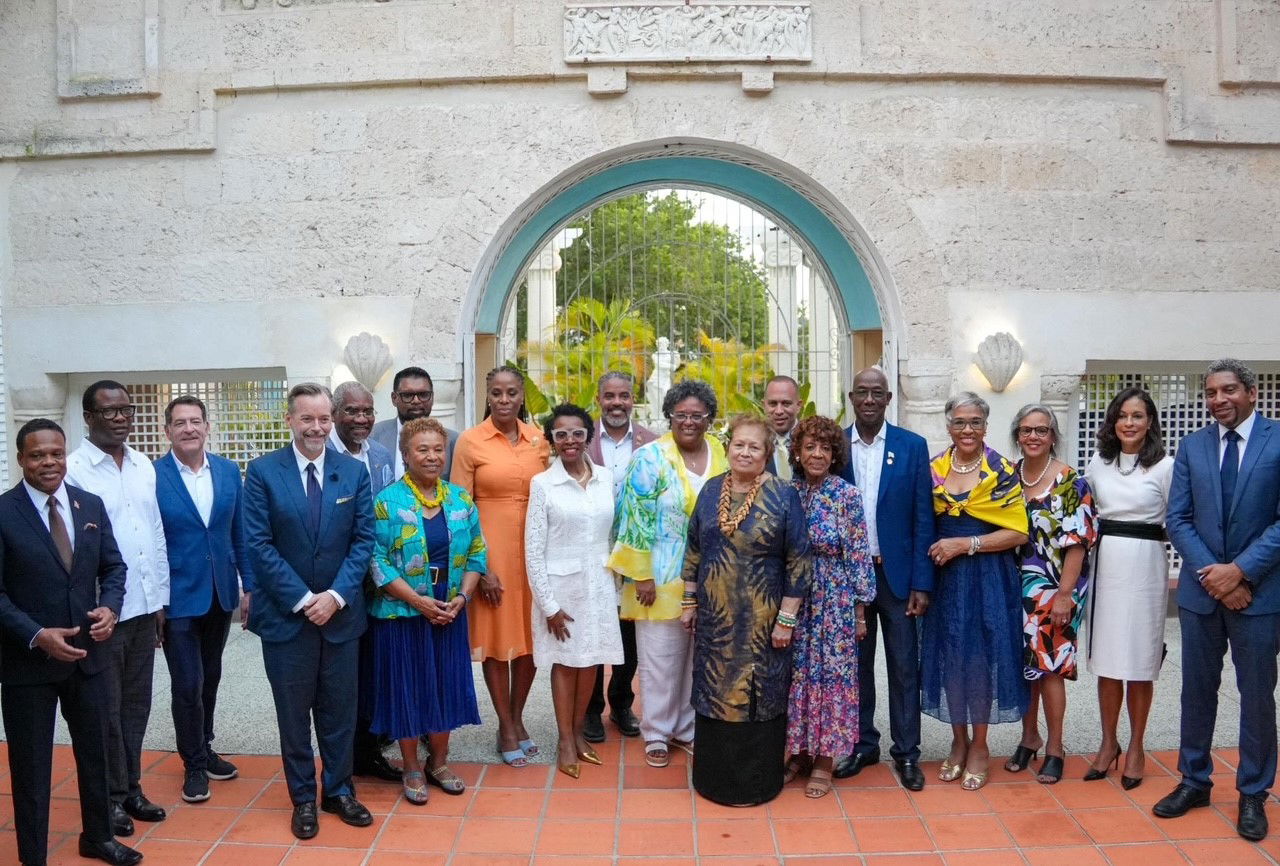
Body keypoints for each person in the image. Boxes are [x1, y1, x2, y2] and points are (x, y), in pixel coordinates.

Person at [0, 419, 141, 866]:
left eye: (56, 454)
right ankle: (33, 856)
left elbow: (114, 568)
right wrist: (37, 635)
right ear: (21, 459)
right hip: (28, 666)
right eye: (38, 455)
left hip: (88, 658)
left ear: (66, 455)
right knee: (32, 768)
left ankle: (98, 837)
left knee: (96, 755)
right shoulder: (3, 513)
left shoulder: (89, 505)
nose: (49, 462)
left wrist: (111, 608)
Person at [243, 383, 376, 840]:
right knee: (294, 715)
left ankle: (337, 790)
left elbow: (363, 541)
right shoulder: (261, 473)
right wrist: (303, 600)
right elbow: (258, 544)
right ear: (290, 421)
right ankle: (302, 798)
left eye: (323, 419)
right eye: (307, 419)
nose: (316, 427)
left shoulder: (353, 473)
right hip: (287, 620)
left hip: (341, 616)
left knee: (339, 712)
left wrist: (335, 596)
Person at [1155, 359, 1280, 843]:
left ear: (1251, 392)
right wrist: (1217, 577)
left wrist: (1240, 571)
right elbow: (1178, 518)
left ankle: (1253, 792)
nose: (1218, 399)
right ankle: (1194, 781)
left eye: (1228, 390)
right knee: (1196, 691)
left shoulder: (1276, 439)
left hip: (1260, 593)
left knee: (1256, 695)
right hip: (1203, 595)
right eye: (1210, 392)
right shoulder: (1193, 446)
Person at [681, 414, 811, 806]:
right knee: (714, 692)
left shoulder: (784, 495)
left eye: (755, 446)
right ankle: (714, 781)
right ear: (727, 448)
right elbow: (694, 549)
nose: (745, 451)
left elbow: (799, 561)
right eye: (739, 444)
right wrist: (689, 601)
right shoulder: (710, 490)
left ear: (767, 453)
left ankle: (755, 784)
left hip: (762, 623)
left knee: (759, 696)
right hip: (715, 623)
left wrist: (786, 619)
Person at [66, 380, 170, 837]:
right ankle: (105, 799)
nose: (122, 417)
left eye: (126, 409)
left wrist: (161, 599)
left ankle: (130, 788)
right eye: (110, 411)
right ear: (88, 417)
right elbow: (67, 550)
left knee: (135, 705)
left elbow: (155, 534)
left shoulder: (144, 464)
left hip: (145, 607)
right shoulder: (72, 472)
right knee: (103, 711)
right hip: (102, 613)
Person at [608, 379, 727, 769]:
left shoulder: (721, 452)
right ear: (669, 416)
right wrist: (640, 574)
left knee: (697, 657)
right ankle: (656, 731)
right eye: (681, 415)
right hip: (659, 576)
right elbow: (634, 517)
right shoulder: (650, 457)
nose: (689, 422)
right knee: (661, 658)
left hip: (711, 577)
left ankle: (687, 728)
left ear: (709, 418)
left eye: (698, 415)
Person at [367, 418, 486, 804]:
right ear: (405, 454)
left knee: (445, 688)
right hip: (402, 615)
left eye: (438, 449)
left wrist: (462, 600)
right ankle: (411, 766)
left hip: (450, 613)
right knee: (408, 690)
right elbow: (377, 561)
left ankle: (438, 761)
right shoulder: (387, 502)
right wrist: (418, 602)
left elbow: (476, 554)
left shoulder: (460, 500)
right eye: (423, 449)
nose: (432, 456)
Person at [921, 392, 1029, 792]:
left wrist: (966, 545)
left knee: (981, 660)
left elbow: (1018, 531)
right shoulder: (933, 470)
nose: (968, 430)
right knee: (951, 657)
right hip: (945, 580)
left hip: (987, 576)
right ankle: (958, 739)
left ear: (986, 426)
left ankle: (981, 746)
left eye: (976, 422)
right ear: (948, 426)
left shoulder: (1001, 471)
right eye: (960, 422)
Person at [834, 367, 935, 791]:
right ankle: (862, 743)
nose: (870, 399)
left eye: (878, 393)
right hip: (849, 579)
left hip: (896, 578)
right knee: (856, 667)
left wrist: (921, 582)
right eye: (863, 392)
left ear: (889, 398)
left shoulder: (912, 447)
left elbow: (923, 518)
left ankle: (907, 752)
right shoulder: (835, 446)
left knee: (903, 667)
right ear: (852, 397)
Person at [154, 396, 254, 804]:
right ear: (168, 432)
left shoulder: (229, 472)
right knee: (187, 683)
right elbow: (150, 539)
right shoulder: (153, 475)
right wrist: (155, 600)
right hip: (177, 596)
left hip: (219, 594)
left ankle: (206, 745)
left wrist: (250, 586)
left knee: (210, 676)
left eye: (196, 421)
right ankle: (193, 764)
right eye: (180, 423)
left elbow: (240, 533)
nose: (189, 429)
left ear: (207, 426)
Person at [450, 365, 550, 766]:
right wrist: (482, 568)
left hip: (534, 554)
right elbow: (460, 509)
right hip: (491, 555)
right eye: (497, 393)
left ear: (522, 396)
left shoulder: (539, 440)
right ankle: (505, 724)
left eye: (512, 392)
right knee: (496, 643)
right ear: (487, 396)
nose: (504, 399)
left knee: (529, 642)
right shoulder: (471, 442)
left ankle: (518, 717)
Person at [1083, 387, 1174, 789]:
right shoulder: (1098, 464)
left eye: (1137, 415)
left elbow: (1178, 518)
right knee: (1107, 660)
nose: (1129, 423)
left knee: (1138, 661)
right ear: (1113, 421)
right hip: (1105, 564)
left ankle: (1136, 746)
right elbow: (1082, 516)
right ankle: (1108, 743)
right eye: (1122, 415)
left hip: (1146, 565)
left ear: (1150, 421)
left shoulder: (1165, 466)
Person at [527, 404, 624, 778]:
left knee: (593, 661)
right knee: (567, 663)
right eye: (561, 434)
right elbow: (533, 549)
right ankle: (565, 739)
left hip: (599, 585)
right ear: (552, 440)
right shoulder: (543, 484)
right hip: (561, 588)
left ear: (588, 436)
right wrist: (548, 605)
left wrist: (616, 587)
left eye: (577, 433)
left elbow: (613, 535)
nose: (570, 441)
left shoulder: (604, 477)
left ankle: (581, 732)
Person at [1006, 404, 1097, 785]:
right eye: (1026, 430)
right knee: (1025, 668)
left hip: (1057, 588)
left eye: (1041, 430)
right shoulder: (1007, 477)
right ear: (1017, 435)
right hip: (1012, 586)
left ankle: (1055, 747)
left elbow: (1077, 544)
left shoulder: (1070, 482)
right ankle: (1029, 737)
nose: (1033, 437)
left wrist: (1064, 595)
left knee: (1050, 668)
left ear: (1053, 436)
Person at [784, 416, 874, 798]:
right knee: (797, 677)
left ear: (835, 454)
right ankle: (800, 752)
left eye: (825, 448)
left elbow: (857, 554)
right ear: (798, 453)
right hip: (793, 598)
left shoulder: (846, 495)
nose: (817, 454)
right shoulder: (787, 491)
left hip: (834, 598)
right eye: (809, 447)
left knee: (832, 680)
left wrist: (859, 612)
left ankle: (825, 760)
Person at [330, 381, 401, 783]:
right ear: (336, 413)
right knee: (345, 676)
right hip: (342, 582)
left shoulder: (379, 454)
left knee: (373, 670)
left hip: (379, 582)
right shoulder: (327, 456)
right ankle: (348, 756)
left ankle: (368, 750)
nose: (361, 419)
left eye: (367, 412)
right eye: (352, 412)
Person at [582, 371, 655, 743]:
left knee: (629, 634)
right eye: (609, 396)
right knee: (595, 630)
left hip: (635, 555)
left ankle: (622, 703)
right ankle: (591, 710)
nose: (616, 402)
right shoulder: (581, 439)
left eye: (623, 396)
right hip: (592, 551)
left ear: (633, 399)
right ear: (599, 399)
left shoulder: (652, 443)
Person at [372, 366, 458, 482]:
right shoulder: (374, 436)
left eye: (423, 395)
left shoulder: (453, 441)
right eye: (408, 395)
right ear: (394, 398)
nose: (416, 401)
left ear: (432, 397)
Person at [762, 375, 801, 480]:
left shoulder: (814, 440)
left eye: (786, 403)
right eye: (773, 404)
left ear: (799, 406)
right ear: (764, 405)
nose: (779, 411)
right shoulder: (755, 442)